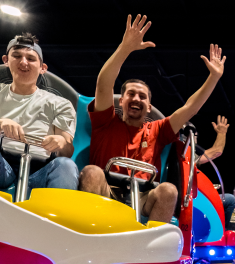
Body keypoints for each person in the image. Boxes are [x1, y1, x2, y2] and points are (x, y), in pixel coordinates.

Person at [79, 14, 226, 224]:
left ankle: (149, 248)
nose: (136, 98)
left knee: (168, 190)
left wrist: (213, 78)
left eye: (142, 96)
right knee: (92, 172)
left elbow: (190, 108)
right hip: (106, 190)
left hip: (142, 194)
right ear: (121, 101)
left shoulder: (158, 130)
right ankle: (92, 234)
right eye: (131, 94)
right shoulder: (105, 121)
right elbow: (104, 83)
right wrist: (125, 48)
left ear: (149, 106)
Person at [0, 33, 79, 196]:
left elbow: (67, 148)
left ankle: (53, 219)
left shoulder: (61, 104)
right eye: (16, 56)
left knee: (66, 165)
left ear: (42, 68)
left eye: (31, 58)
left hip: (39, 168)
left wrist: (60, 142)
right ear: (6, 60)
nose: (23, 62)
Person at [196, 116, 235, 229]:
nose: (195, 138)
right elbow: (216, 151)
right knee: (230, 199)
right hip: (193, 200)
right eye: (194, 136)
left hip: (189, 198)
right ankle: (222, 232)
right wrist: (222, 133)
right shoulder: (187, 155)